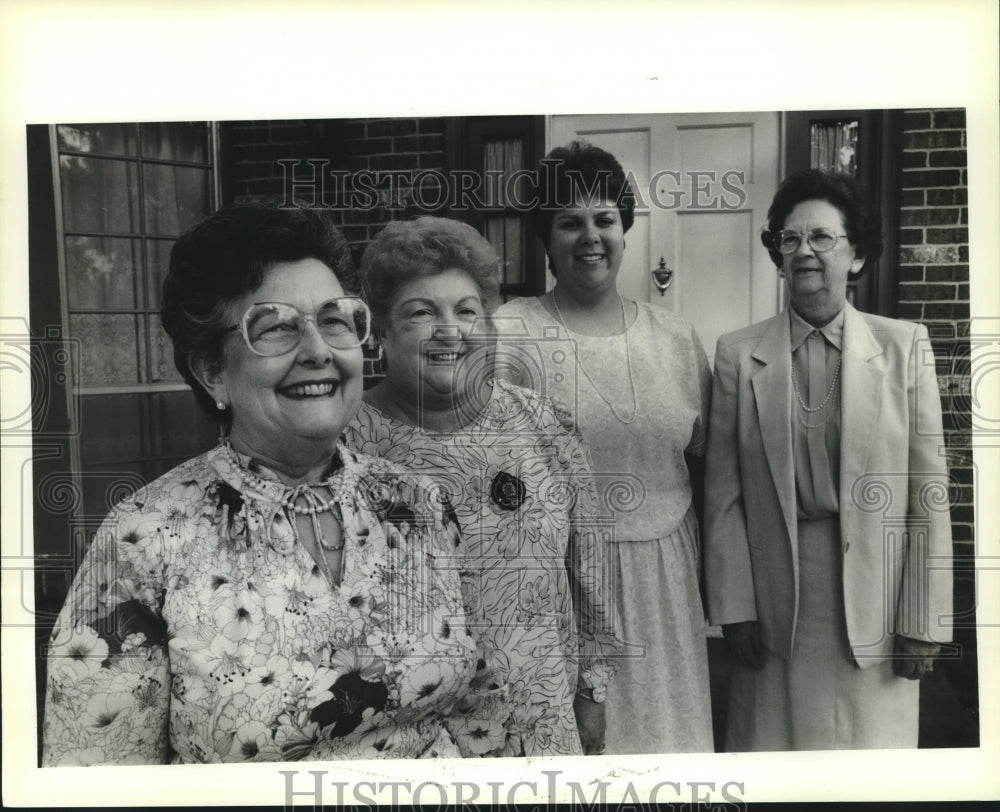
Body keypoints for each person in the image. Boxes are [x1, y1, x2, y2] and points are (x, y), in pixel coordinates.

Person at [41, 203, 508, 765]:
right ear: (213, 371)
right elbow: (99, 781)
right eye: (277, 327)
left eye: (334, 319)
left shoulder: (419, 505)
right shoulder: (142, 545)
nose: (317, 351)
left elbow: (479, 709)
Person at [343, 216, 621, 757]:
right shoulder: (348, 444)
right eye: (423, 312)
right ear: (380, 332)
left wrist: (593, 691)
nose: (451, 330)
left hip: (544, 720)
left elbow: (590, 570)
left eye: (467, 311)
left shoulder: (547, 427)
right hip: (408, 740)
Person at [704, 169, 953, 750]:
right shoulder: (738, 356)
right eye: (789, 240)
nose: (803, 252)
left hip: (878, 596)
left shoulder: (904, 346)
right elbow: (723, 496)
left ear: (857, 256)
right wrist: (735, 607)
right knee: (776, 756)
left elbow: (927, 492)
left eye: (821, 238)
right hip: (774, 601)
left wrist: (922, 616)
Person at [493, 141, 714, 754]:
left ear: (624, 228)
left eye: (604, 219)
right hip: (556, 584)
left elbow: (710, 460)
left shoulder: (674, 337)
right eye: (569, 222)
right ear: (546, 235)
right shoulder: (511, 331)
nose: (590, 237)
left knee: (668, 748)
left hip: (665, 577)